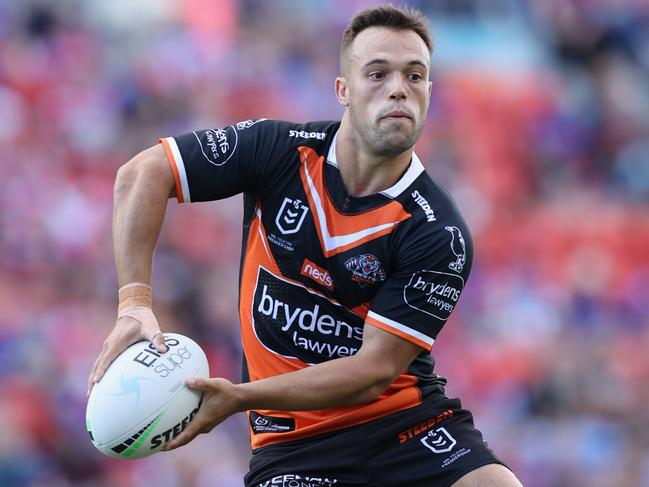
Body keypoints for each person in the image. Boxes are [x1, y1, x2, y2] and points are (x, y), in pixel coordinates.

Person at [88, 5, 523, 487]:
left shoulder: (438, 230)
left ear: (428, 93)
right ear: (343, 90)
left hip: (406, 426)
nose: (398, 88)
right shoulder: (278, 150)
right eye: (377, 73)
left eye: (414, 76)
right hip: (291, 443)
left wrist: (240, 396)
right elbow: (142, 174)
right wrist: (134, 303)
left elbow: (375, 372)